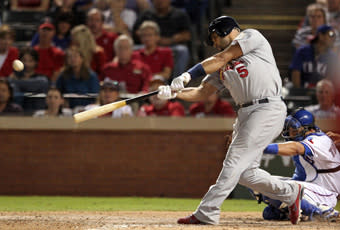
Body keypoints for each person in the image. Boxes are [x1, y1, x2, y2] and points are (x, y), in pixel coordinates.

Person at [157, 15, 304, 225]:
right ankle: (290, 193)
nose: (214, 43)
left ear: (227, 30)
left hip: (268, 107)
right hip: (245, 112)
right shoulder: (222, 64)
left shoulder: (251, 36)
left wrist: (186, 75)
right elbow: (202, 92)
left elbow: (220, 58)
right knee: (244, 173)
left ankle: (207, 211)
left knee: (233, 160)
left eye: (215, 38)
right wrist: (174, 93)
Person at [256, 109, 340, 222]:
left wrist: (256, 147)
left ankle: (322, 211)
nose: (290, 133)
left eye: (294, 130)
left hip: (325, 194)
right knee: (259, 182)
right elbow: (299, 178)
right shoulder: (307, 141)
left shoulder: (319, 140)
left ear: (308, 129)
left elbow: (295, 148)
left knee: (277, 188)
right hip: (311, 190)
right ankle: (299, 211)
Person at [132, 0, 191, 78]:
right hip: (148, 44)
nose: (160, 1)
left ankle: (178, 81)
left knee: (182, 50)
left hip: (171, 45)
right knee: (130, 49)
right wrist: (150, 37)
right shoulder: (146, 14)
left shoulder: (179, 14)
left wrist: (170, 40)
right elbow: (136, 31)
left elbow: (187, 35)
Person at [8, 47, 49, 111]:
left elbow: (32, 86)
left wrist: (14, 81)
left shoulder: (42, 79)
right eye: (24, 60)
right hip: (17, 112)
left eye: (30, 61)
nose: (27, 64)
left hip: (37, 112)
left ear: (36, 62)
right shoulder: (14, 77)